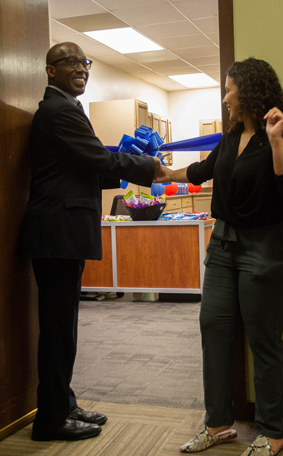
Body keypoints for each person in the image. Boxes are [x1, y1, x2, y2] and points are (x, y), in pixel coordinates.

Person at [154, 57, 283, 455]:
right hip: (223, 244)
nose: (225, 98)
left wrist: (276, 139)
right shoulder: (229, 138)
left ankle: (274, 433)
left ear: (249, 91)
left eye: (228, 90)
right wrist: (162, 173)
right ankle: (219, 423)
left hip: (269, 246)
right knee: (214, 328)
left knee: (264, 339)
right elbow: (203, 170)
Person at [20, 42, 161, 442]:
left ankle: (63, 403)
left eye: (83, 62)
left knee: (64, 325)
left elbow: (87, 166)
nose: (80, 68)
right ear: (50, 71)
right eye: (69, 62)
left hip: (62, 232)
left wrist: (127, 163)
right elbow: (98, 159)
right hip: (57, 232)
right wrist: (150, 168)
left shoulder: (66, 108)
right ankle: (50, 420)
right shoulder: (59, 110)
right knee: (59, 327)